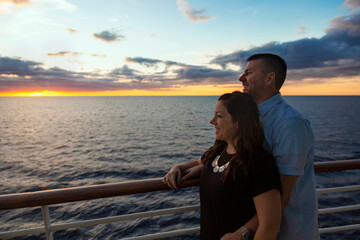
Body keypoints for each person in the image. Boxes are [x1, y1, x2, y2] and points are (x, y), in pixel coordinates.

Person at [163, 91, 282, 240]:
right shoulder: (219, 148)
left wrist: (240, 235)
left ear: (239, 121)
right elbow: (200, 162)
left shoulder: (259, 162)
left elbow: (270, 225)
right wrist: (178, 168)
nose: (212, 121)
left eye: (219, 116)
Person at [239, 53, 319, 239]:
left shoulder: (290, 123)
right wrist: (192, 167)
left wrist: (243, 231)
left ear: (269, 78)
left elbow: (282, 194)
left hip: (290, 232)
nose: (241, 78)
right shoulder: (253, 119)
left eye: (249, 73)